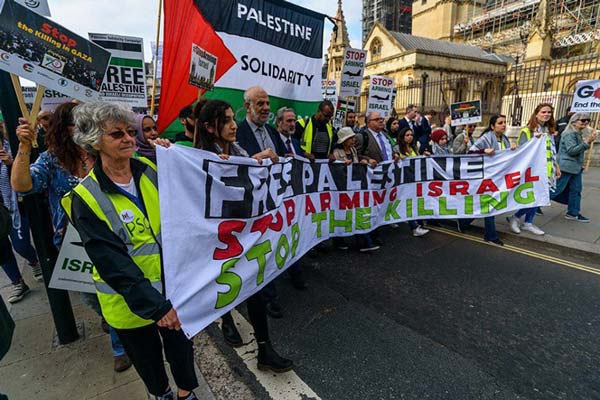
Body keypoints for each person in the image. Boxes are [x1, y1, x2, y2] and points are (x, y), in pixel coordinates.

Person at [63, 102, 200, 399]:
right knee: (149, 364)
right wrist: (156, 307)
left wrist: (181, 157)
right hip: (129, 306)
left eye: (129, 131)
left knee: (182, 352)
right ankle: (161, 394)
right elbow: (112, 263)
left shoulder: (152, 170)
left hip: (174, 292)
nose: (128, 138)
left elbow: (197, 191)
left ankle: (186, 394)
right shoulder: (85, 198)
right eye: (116, 134)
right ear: (95, 141)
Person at [11, 102, 131, 373]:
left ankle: (120, 346)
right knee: (91, 298)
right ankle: (110, 318)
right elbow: (22, 185)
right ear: (64, 129)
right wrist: (24, 147)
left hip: (110, 235)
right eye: (79, 123)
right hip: (72, 242)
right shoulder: (52, 159)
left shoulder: (101, 150)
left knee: (113, 291)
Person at [194, 99, 294, 373]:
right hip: (219, 237)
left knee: (254, 287)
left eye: (232, 118)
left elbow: (248, 173)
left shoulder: (239, 151)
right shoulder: (199, 158)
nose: (233, 125)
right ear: (209, 127)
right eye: (226, 120)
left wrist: (257, 161)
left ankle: (265, 349)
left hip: (245, 234)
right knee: (225, 282)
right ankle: (226, 319)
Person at [1, 122, 40, 297]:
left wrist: (10, 163)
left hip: (14, 205)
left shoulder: (9, 145)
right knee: (1, 250)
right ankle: (17, 282)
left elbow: (22, 175)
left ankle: (34, 261)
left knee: (20, 245)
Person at [506, 103, 558, 235]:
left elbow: (551, 151)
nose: (546, 114)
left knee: (540, 197)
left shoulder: (548, 130)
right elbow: (522, 151)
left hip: (547, 170)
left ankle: (527, 222)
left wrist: (556, 166)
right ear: (536, 114)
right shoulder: (528, 130)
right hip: (533, 170)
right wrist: (534, 140)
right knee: (535, 197)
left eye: (549, 112)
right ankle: (517, 217)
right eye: (543, 112)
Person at [466, 114, 516, 245]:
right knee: (490, 204)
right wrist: (484, 150)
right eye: (500, 123)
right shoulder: (486, 137)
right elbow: (470, 152)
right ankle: (490, 236)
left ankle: (464, 221)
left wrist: (512, 150)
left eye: (504, 122)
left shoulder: (504, 138)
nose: (503, 125)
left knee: (488, 203)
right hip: (487, 176)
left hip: (499, 176)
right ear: (492, 126)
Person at [332, 127, 379, 252]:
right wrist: (343, 165)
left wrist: (364, 161)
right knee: (342, 214)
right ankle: (340, 240)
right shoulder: (336, 152)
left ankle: (363, 242)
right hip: (342, 189)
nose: (353, 140)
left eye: (353, 138)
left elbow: (357, 159)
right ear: (344, 140)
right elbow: (334, 169)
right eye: (350, 138)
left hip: (354, 187)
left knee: (357, 213)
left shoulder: (353, 150)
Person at [551, 112, 597, 222]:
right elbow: (571, 151)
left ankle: (573, 213)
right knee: (557, 189)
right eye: (583, 120)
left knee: (576, 190)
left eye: (588, 120)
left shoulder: (577, 133)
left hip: (575, 167)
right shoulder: (569, 134)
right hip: (566, 167)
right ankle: (535, 205)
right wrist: (587, 142)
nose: (586, 122)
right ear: (574, 122)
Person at [393, 127, 430, 237]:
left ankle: (416, 224)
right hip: (403, 180)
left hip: (414, 179)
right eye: (407, 135)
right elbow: (395, 161)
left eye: (411, 135)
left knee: (412, 202)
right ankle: (414, 227)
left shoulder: (414, 147)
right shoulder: (397, 148)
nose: (410, 137)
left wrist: (423, 156)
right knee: (406, 203)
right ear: (402, 137)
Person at [235, 86, 286, 158]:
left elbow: (283, 157)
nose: (266, 108)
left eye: (267, 103)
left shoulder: (273, 132)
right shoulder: (237, 133)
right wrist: (260, 156)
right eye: (260, 104)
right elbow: (238, 162)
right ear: (247, 107)